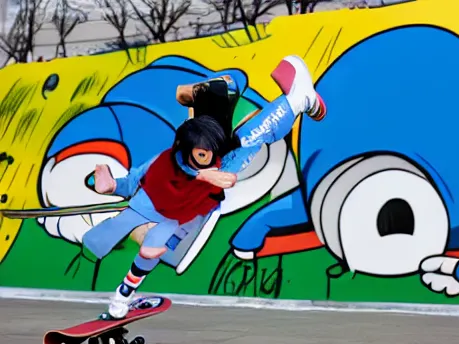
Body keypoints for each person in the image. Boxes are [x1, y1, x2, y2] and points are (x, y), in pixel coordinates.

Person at [83, 55, 327, 319]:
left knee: (250, 136)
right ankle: (121, 299)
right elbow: (134, 183)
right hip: (198, 182)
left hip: (217, 161)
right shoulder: (163, 168)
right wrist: (113, 186)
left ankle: (298, 100)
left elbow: (141, 184)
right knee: (249, 137)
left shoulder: (195, 162)